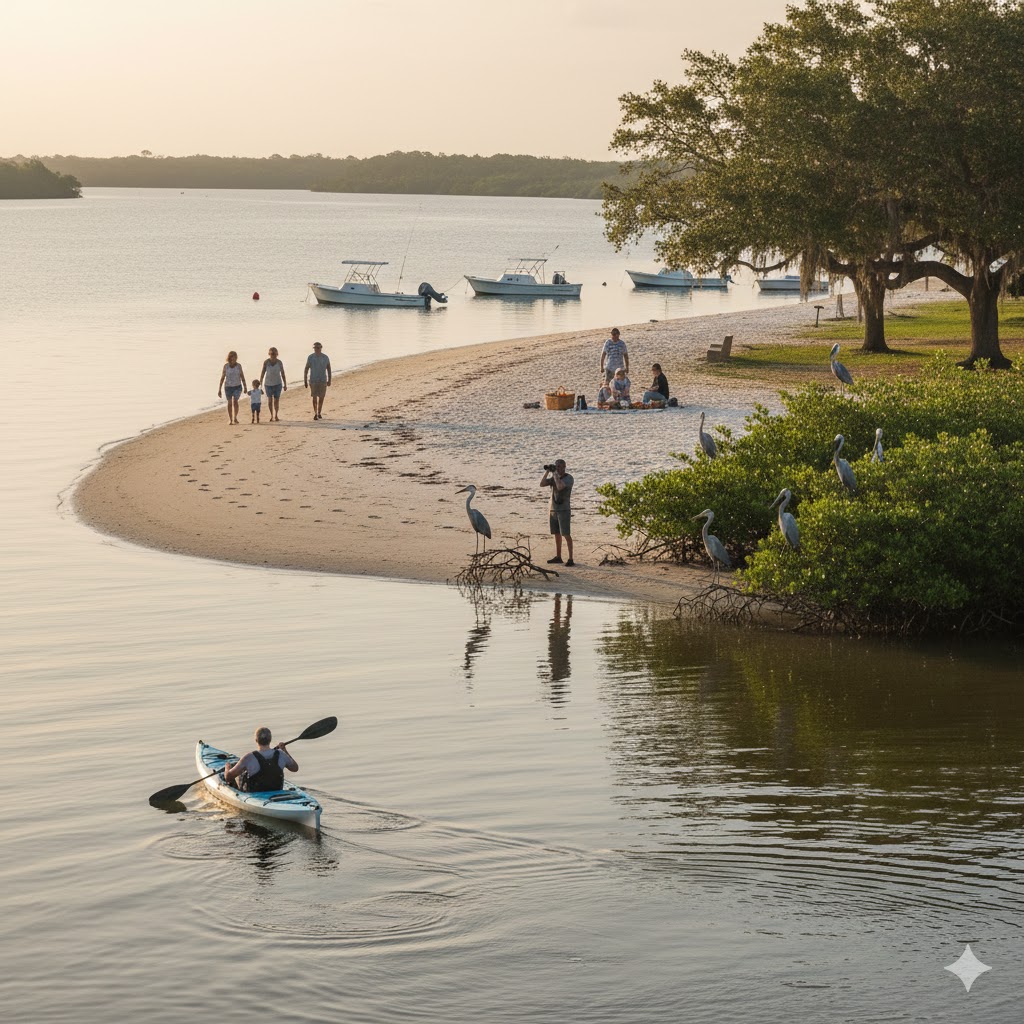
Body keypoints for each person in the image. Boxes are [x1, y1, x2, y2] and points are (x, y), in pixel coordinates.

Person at [223, 726, 299, 791]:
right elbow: (295, 768)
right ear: (270, 740)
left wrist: (227, 767)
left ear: (256, 740)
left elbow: (228, 778)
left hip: (256, 796)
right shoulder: (281, 754)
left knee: (240, 776)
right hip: (276, 790)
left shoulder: (248, 757)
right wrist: (285, 751)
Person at [540, 459, 574, 566]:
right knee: (556, 534)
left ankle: (570, 558)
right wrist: (547, 471)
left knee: (566, 534)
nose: (557, 468)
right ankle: (558, 557)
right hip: (553, 509)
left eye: (559, 467)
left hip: (564, 509)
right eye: (556, 466)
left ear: (564, 467)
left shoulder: (569, 478)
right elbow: (542, 484)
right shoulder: (554, 477)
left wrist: (555, 474)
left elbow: (560, 487)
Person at [217, 351, 247, 425]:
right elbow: (222, 377)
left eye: (235, 357)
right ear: (229, 358)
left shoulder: (239, 366)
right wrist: (219, 389)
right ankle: (231, 419)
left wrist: (245, 387)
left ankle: (235, 417)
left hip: (237, 387)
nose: (234, 358)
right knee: (230, 403)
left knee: (235, 402)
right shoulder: (226, 366)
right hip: (228, 387)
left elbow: (242, 376)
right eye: (232, 357)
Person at [304, 342, 332, 420]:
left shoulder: (325, 357)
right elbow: (306, 369)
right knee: (314, 397)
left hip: (323, 380)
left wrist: (329, 380)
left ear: (321, 348)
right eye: (315, 348)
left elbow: (329, 369)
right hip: (313, 380)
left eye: (318, 348)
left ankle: (319, 412)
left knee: (321, 397)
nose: (316, 349)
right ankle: (315, 413)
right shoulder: (310, 357)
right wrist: (305, 380)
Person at [259, 347, 287, 422]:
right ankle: (271, 415)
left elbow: (283, 373)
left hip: (278, 383)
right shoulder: (266, 362)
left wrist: (285, 384)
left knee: (276, 401)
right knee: (270, 401)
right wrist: (260, 384)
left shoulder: (279, 362)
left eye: (274, 353)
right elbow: (262, 373)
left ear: (277, 354)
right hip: (268, 384)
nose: (273, 355)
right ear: (269, 354)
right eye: (271, 354)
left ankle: (276, 415)